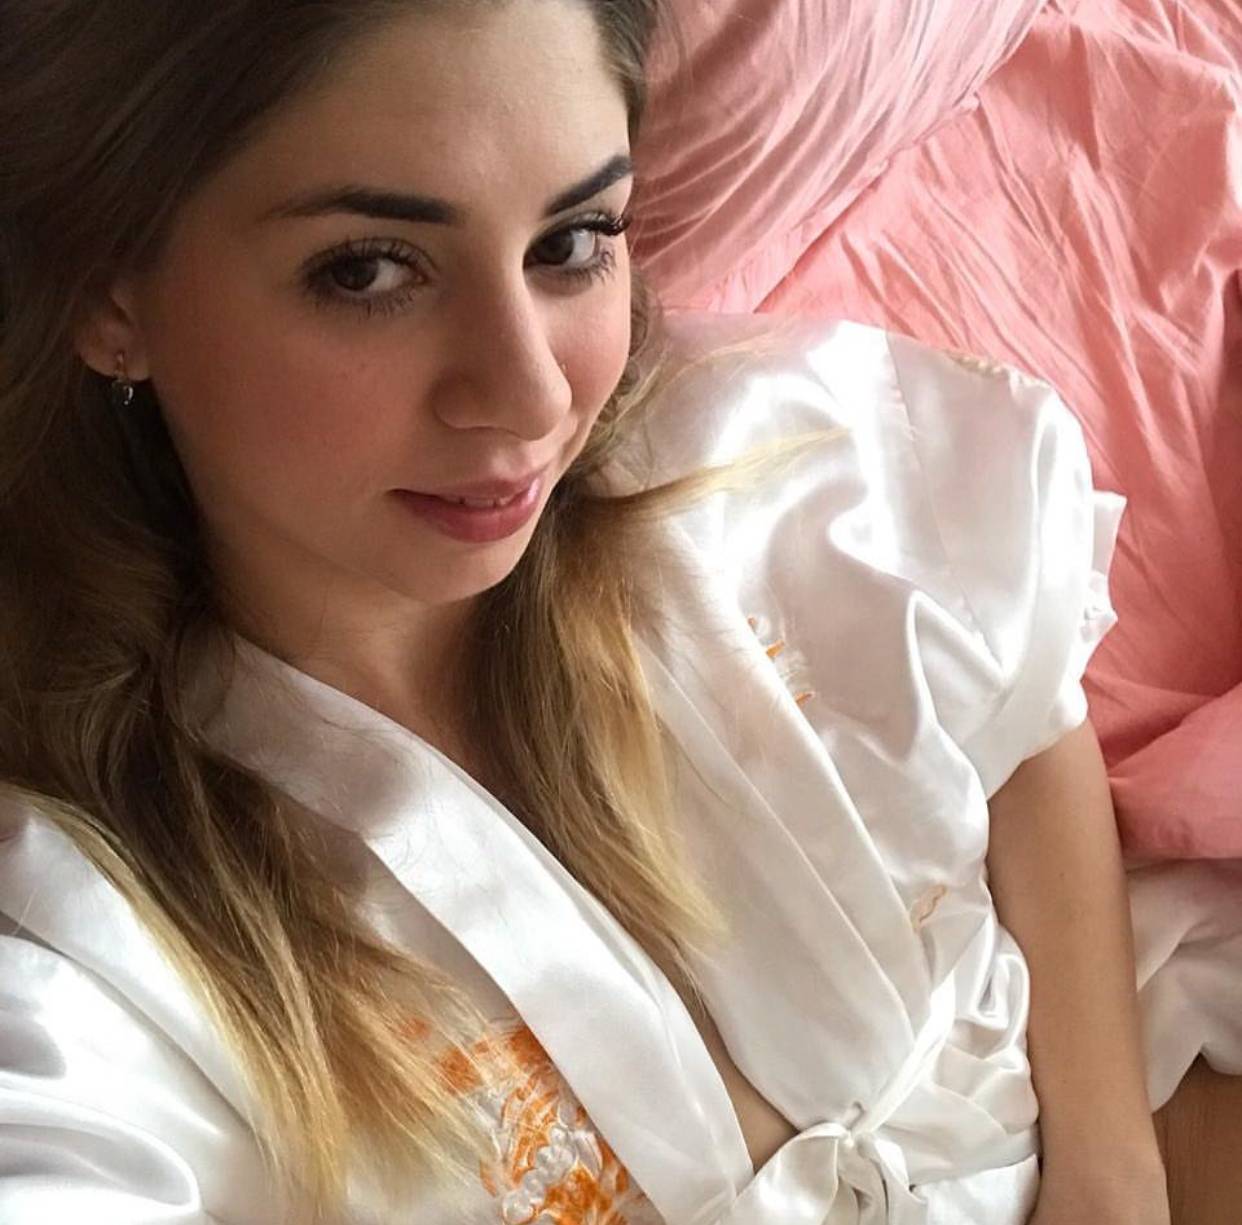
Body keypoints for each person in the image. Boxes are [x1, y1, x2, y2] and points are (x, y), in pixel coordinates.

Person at [0, 1, 1170, 1222]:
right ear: (111, 296)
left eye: (572, 240)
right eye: (368, 270)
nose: (530, 394)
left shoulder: (764, 470)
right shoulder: (89, 950)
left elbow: (1027, 719)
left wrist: (1115, 1171)